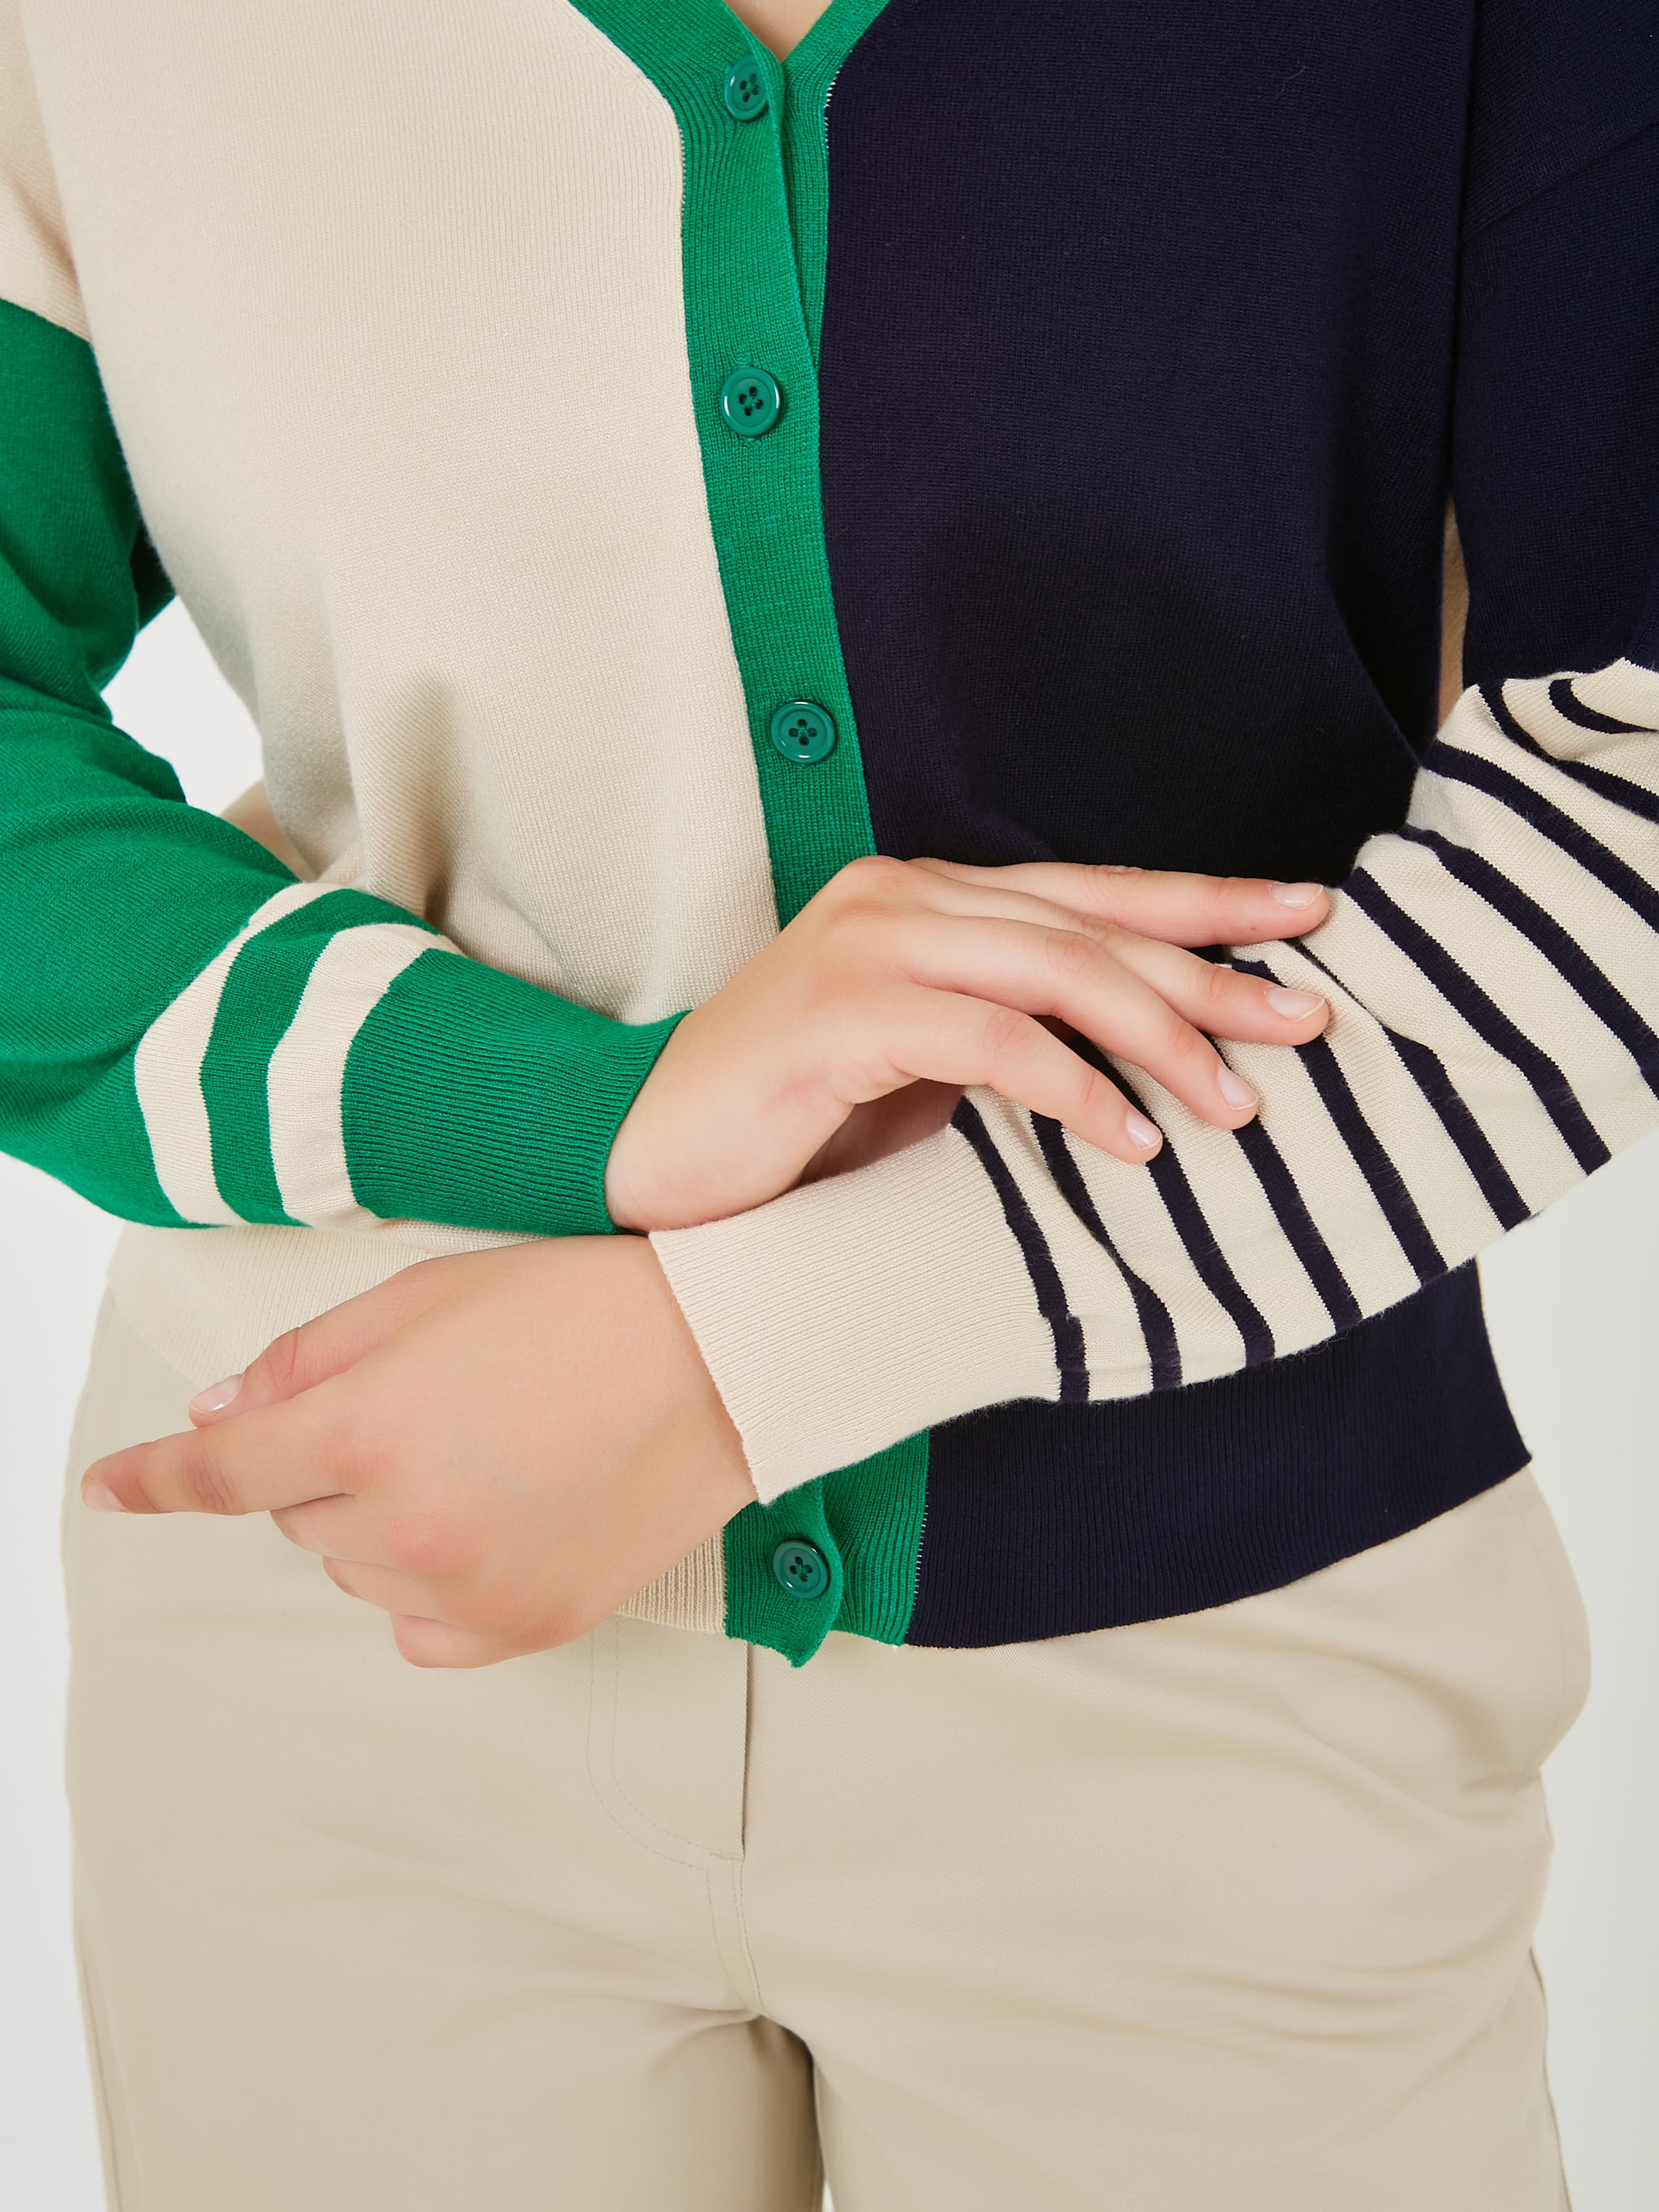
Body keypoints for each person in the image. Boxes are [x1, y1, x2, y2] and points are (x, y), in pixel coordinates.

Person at [2, 0, 1655, 2204]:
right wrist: (575, 1111)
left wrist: (757, 1344)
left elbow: (1631, 776)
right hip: (346, 1587)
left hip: (1223, 1667)